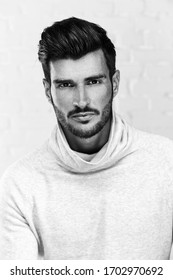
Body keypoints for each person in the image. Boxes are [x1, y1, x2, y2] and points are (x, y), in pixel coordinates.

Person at [0, 17, 173, 260]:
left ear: (114, 83)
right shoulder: (21, 183)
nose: (81, 100)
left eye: (93, 82)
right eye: (66, 85)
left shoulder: (167, 163)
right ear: (48, 91)